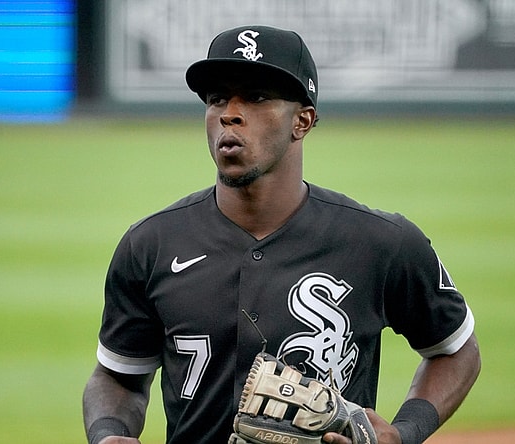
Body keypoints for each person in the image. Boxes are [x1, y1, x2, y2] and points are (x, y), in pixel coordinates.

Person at [82, 25, 481, 444]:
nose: (229, 113)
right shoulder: (150, 245)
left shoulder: (381, 242)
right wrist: (109, 434)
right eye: (217, 98)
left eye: (255, 97)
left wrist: (403, 433)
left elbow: (456, 348)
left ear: (302, 121)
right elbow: (119, 376)